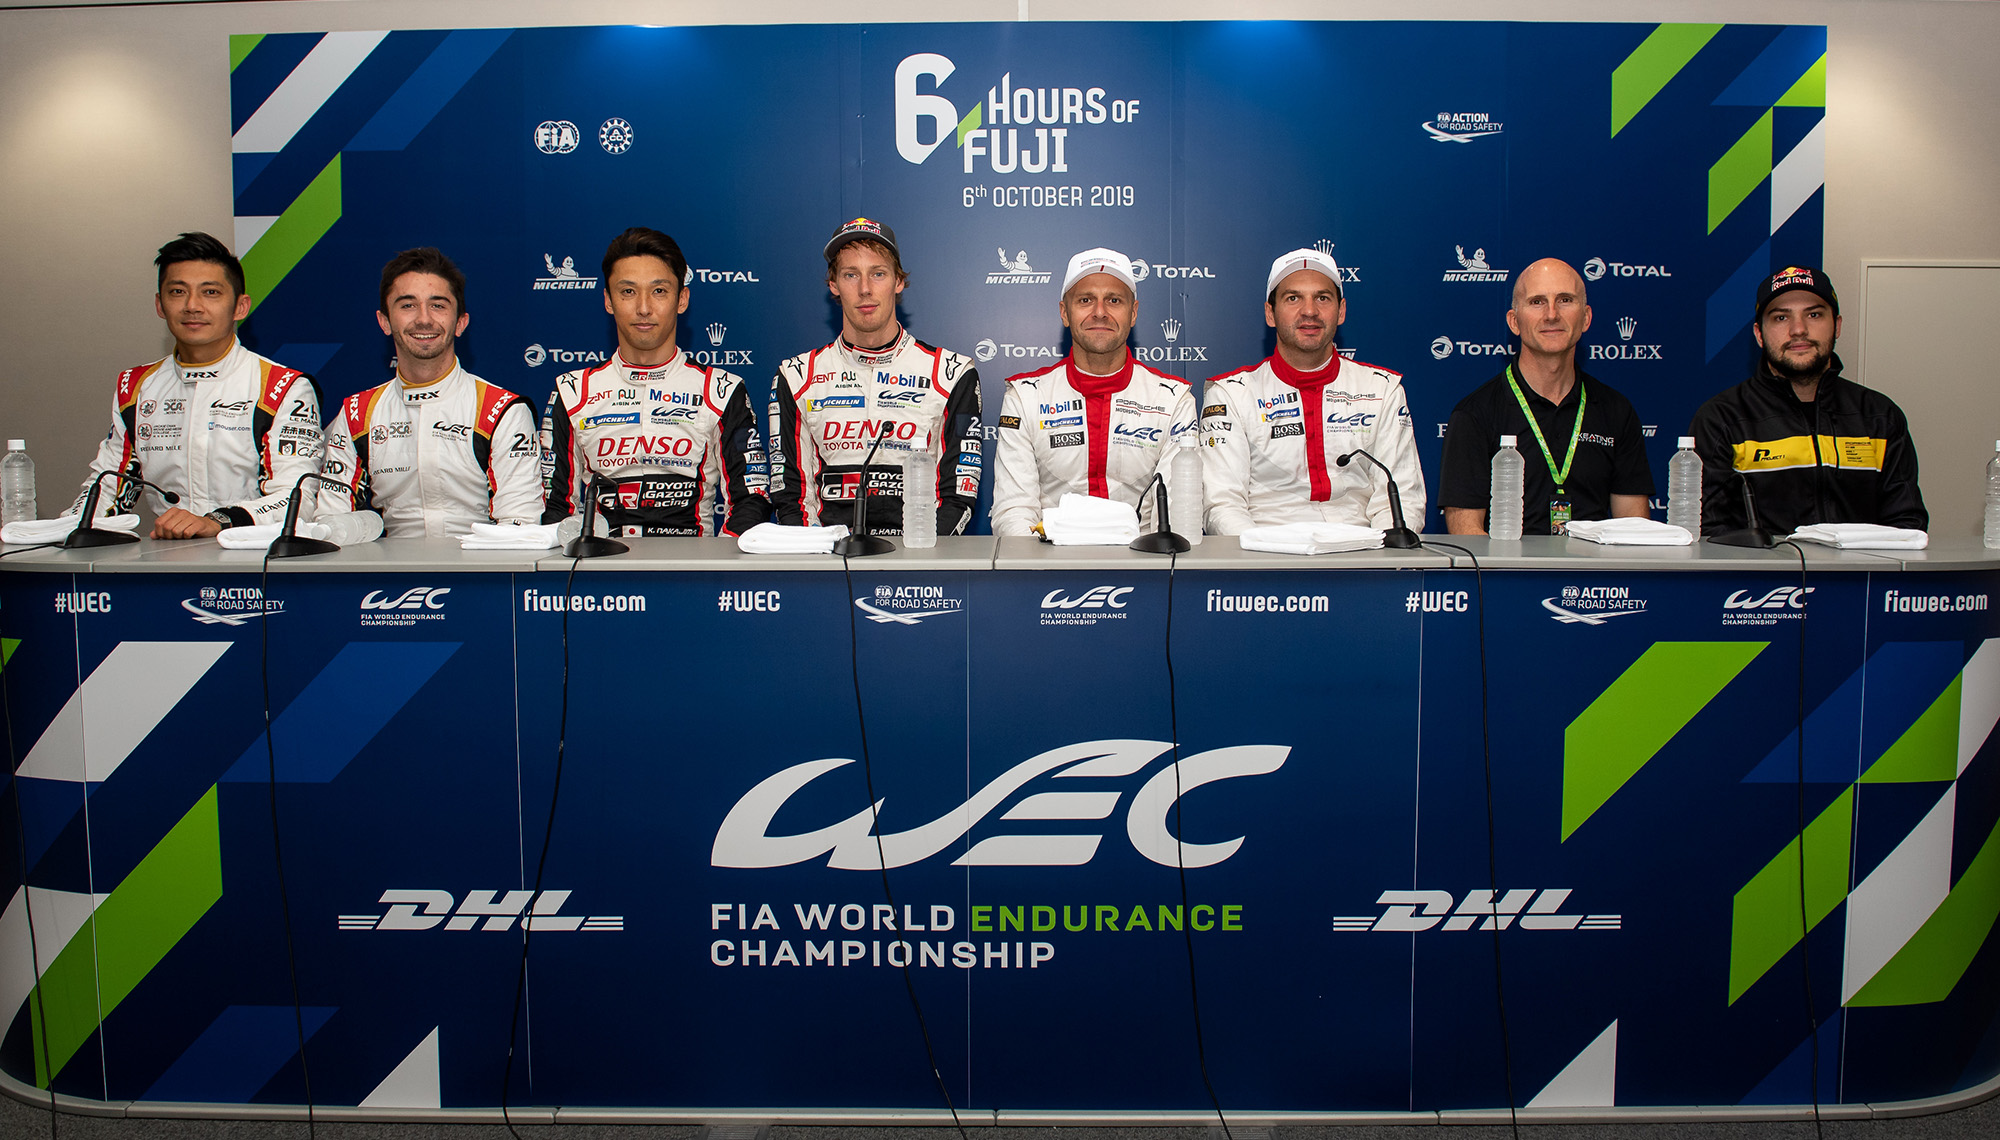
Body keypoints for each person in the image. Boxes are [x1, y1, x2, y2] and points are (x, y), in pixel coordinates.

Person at [71, 232, 322, 536]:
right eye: (177, 291)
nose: (192, 305)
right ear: (160, 304)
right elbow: (106, 484)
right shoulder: (135, 387)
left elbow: (297, 498)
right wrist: (64, 528)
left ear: (240, 307)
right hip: (169, 555)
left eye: (210, 292)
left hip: (255, 553)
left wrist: (218, 521)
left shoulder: (281, 386)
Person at [540, 228, 770, 537]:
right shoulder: (572, 391)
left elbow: (751, 499)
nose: (644, 308)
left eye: (659, 291)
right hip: (599, 564)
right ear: (608, 301)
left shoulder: (722, 389)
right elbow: (554, 508)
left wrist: (718, 563)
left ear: (682, 299)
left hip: (693, 564)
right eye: (628, 291)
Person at [768, 218, 981, 533]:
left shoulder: (951, 374)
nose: (865, 289)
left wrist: (921, 552)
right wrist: (818, 552)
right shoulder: (797, 377)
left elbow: (957, 494)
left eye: (878, 274)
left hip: (919, 553)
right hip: (827, 555)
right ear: (833, 285)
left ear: (898, 281)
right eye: (850, 275)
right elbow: (790, 494)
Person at [318, 248, 542, 536]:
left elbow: (520, 526)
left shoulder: (501, 410)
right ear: (384, 321)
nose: (424, 319)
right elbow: (330, 524)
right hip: (385, 564)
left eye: (438, 305)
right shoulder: (356, 413)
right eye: (407, 305)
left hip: (484, 562)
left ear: (460, 322)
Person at [1201, 247, 1424, 534]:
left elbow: (1401, 499)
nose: (1309, 311)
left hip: (1362, 548)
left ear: (1341, 311)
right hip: (1263, 548)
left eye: (1322, 298)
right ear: (1270, 313)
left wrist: (1378, 552)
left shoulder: (1382, 389)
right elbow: (1222, 504)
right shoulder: (1231, 394)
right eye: (1293, 298)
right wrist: (1260, 552)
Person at [1689, 266, 1927, 534]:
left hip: (1861, 564)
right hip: (1761, 564)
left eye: (1814, 315)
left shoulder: (1879, 416)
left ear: (1837, 326)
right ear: (1759, 334)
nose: (1798, 330)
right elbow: (1709, 535)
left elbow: (1907, 526)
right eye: (1781, 318)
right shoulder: (1722, 418)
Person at [1438, 258, 1653, 535]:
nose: (1551, 314)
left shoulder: (1616, 411)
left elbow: (1633, 529)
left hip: (1593, 563)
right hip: (1507, 563)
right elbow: (1467, 534)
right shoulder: (1474, 414)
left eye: (1565, 300)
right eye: (1537, 302)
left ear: (1586, 318)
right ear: (1514, 322)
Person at [991, 248, 1194, 536]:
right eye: (1085, 300)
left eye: (1114, 300)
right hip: (1048, 558)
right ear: (1065, 313)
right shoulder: (1025, 397)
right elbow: (1013, 512)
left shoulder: (1173, 399)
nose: (1100, 312)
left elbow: (1177, 514)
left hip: (1145, 559)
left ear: (1133, 313)